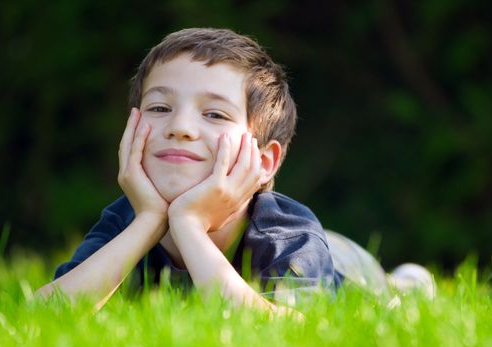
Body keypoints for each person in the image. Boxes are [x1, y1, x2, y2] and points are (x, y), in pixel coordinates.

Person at [36, 28, 434, 312]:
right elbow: (42, 314)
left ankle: (406, 282)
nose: (180, 127)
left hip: (345, 263)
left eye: (214, 113)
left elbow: (291, 335)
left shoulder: (286, 231)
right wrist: (151, 220)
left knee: (392, 297)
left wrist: (189, 226)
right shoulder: (126, 218)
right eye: (159, 108)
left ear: (264, 161)